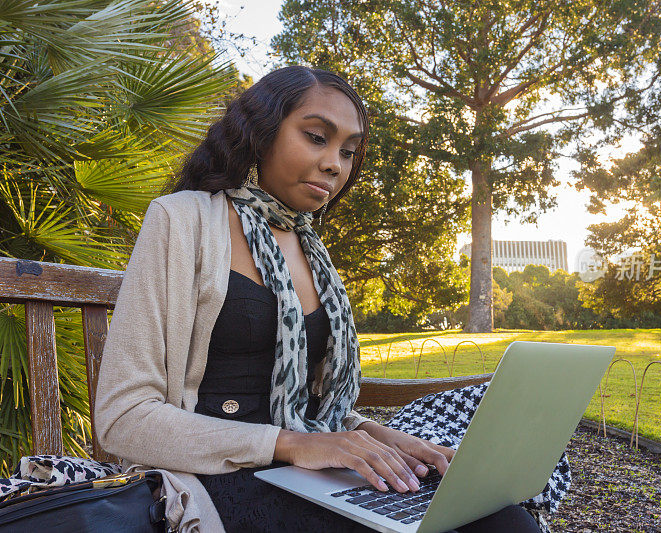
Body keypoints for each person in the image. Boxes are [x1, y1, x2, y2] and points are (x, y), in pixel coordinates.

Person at [94, 65, 544, 533]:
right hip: (217, 473)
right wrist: (293, 445)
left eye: (348, 152)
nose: (335, 163)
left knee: (501, 520)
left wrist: (380, 435)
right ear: (261, 133)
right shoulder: (182, 219)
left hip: (306, 470)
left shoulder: (310, 247)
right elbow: (123, 418)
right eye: (316, 137)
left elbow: (308, 411)